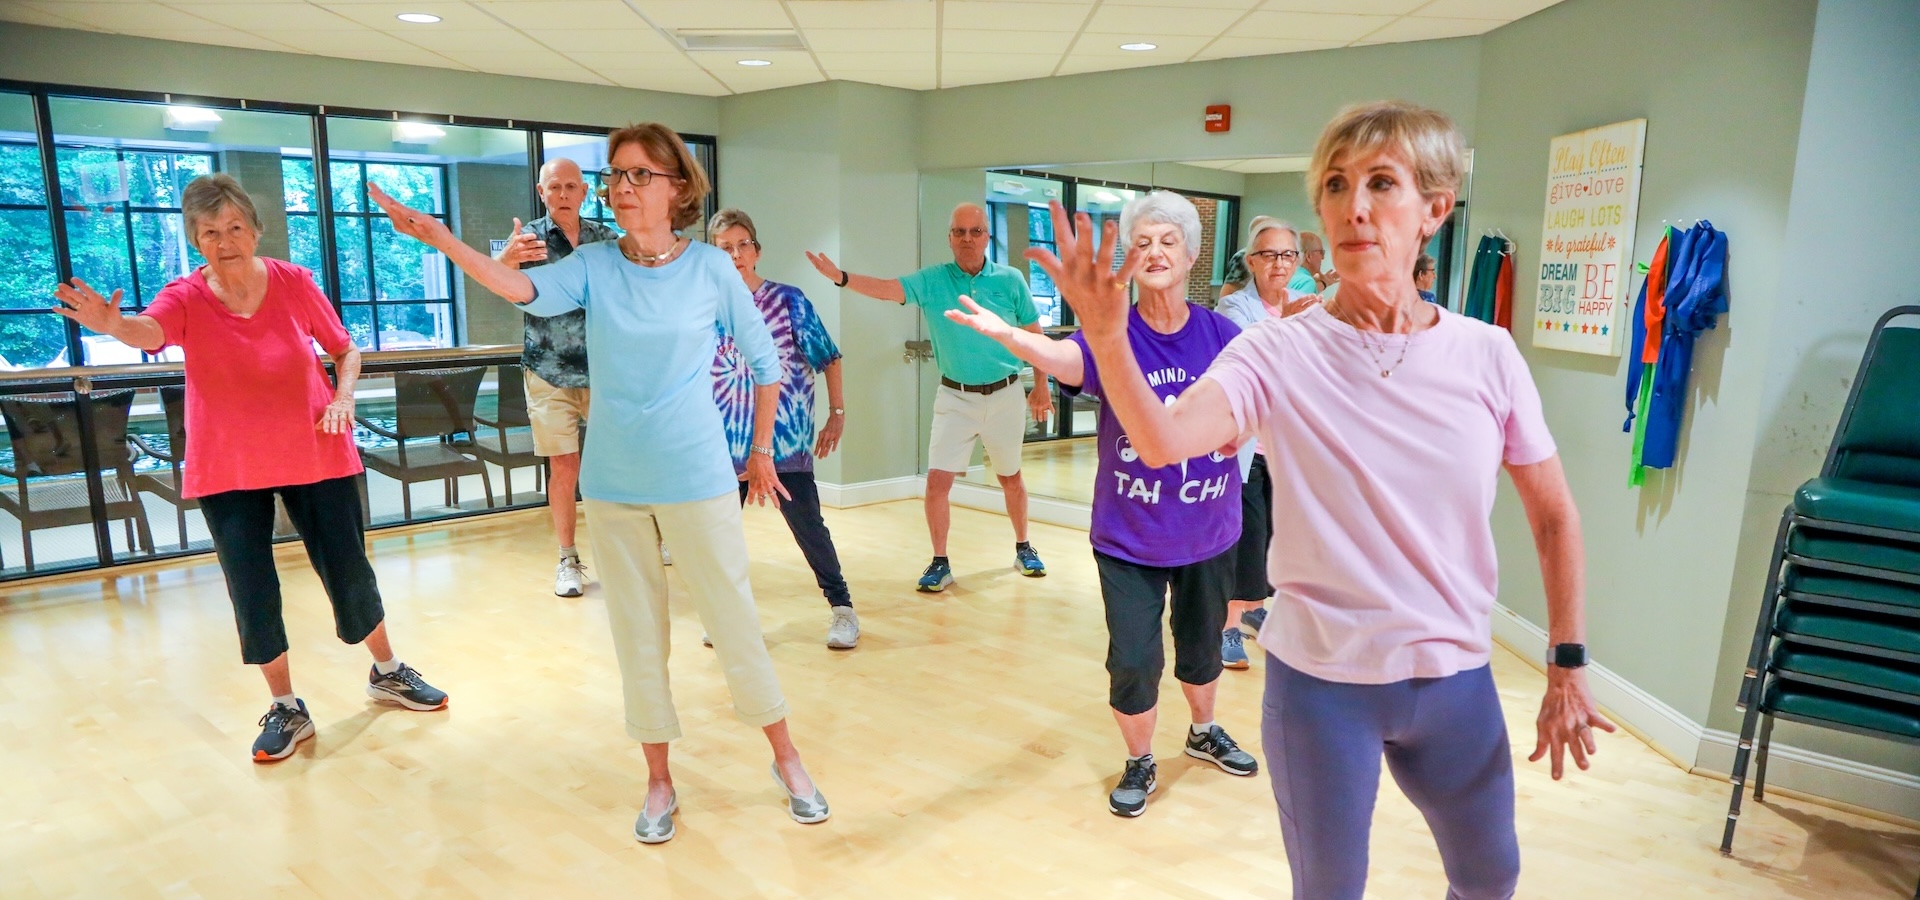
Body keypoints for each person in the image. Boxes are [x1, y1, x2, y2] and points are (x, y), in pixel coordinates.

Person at [1028, 100, 1613, 899]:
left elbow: (1552, 515)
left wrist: (1567, 662)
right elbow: (1163, 440)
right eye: (1336, 186)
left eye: (1382, 183)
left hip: (1453, 678)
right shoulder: (1276, 349)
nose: (1355, 207)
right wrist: (1104, 335)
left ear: (1434, 210)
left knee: (1491, 876)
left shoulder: (1487, 355)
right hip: (1321, 687)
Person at [370, 123, 829, 844]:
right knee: (637, 635)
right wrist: (444, 242)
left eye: (639, 175)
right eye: (615, 175)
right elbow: (519, 285)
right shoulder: (592, 264)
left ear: (677, 186)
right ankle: (658, 776)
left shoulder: (711, 268)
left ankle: (786, 756)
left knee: (733, 622)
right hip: (614, 483)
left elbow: (767, 364)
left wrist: (762, 451)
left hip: (698, 477)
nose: (622, 188)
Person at [51, 174, 448, 763]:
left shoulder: (291, 282)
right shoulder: (185, 295)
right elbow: (150, 331)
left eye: (235, 226)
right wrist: (113, 326)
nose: (224, 239)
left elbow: (345, 347)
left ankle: (386, 671)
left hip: (315, 446)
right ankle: (286, 706)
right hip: (227, 464)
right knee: (251, 584)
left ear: (255, 230)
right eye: (210, 231)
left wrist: (342, 398)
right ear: (195, 240)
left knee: (347, 565)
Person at [948, 191, 1259, 818]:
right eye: (1141, 242)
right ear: (1127, 260)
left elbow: (1250, 404)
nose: (1154, 251)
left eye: (1168, 240)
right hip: (1131, 536)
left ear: (1191, 253)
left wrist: (1241, 431)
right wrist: (1014, 337)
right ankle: (1141, 758)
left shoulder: (1223, 334)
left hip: (1209, 529)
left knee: (1201, 650)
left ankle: (1202, 732)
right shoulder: (1110, 333)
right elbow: (1067, 358)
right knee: (1135, 661)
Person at [805, 204, 1053, 592]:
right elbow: (888, 289)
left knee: (1011, 478)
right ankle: (940, 561)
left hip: (1005, 393)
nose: (967, 239)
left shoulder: (1010, 280)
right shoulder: (934, 280)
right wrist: (841, 278)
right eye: (960, 232)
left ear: (987, 237)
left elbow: (1035, 335)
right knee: (937, 482)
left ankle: (1024, 546)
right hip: (955, 397)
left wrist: (1042, 384)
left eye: (975, 231)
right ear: (950, 238)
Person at [708, 208, 859, 649]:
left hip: (784, 441)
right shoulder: (705, 306)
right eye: (725, 248)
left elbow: (829, 357)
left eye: (743, 244)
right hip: (725, 443)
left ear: (756, 250)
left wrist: (837, 413)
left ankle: (842, 609)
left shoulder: (788, 299)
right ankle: (725, 615)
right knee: (717, 533)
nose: (736, 255)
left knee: (809, 527)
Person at [492, 158, 620, 597]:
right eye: (555, 187)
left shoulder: (605, 240)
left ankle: (630, 547)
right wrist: (505, 261)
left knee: (614, 464)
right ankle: (568, 559)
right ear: (541, 191)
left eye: (571, 186)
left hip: (603, 370)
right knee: (564, 465)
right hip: (548, 372)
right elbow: (500, 286)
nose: (563, 194)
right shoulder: (527, 240)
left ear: (584, 192)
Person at [1213, 216, 1320, 670]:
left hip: (1289, 448)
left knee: (1282, 539)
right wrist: (1285, 329)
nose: (1279, 264)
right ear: (1252, 262)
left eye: (1287, 255)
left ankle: (1256, 608)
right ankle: (1227, 628)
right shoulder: (1235, 308)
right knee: (1248, 539)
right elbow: (1243, 362)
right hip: (1247, 450)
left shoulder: (1308, 303)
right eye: (1269, 255)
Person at [1290, 231, 1340, 295]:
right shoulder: (1307, 282)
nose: (1323, 257)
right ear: (1308, 256)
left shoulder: (1284, 275)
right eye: (1321, 252)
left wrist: (1324, 282)